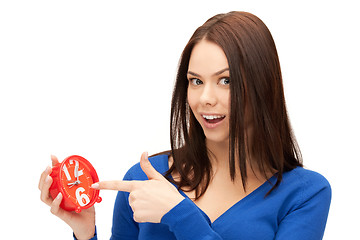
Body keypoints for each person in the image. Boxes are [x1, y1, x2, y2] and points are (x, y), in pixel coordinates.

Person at [39, 11, 331, 240]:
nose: (205, 98)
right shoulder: (144, 178)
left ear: (263, 86)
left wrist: (179, 214)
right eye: (196, 81)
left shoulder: (305, 194)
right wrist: (85, 233)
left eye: (225, 81)